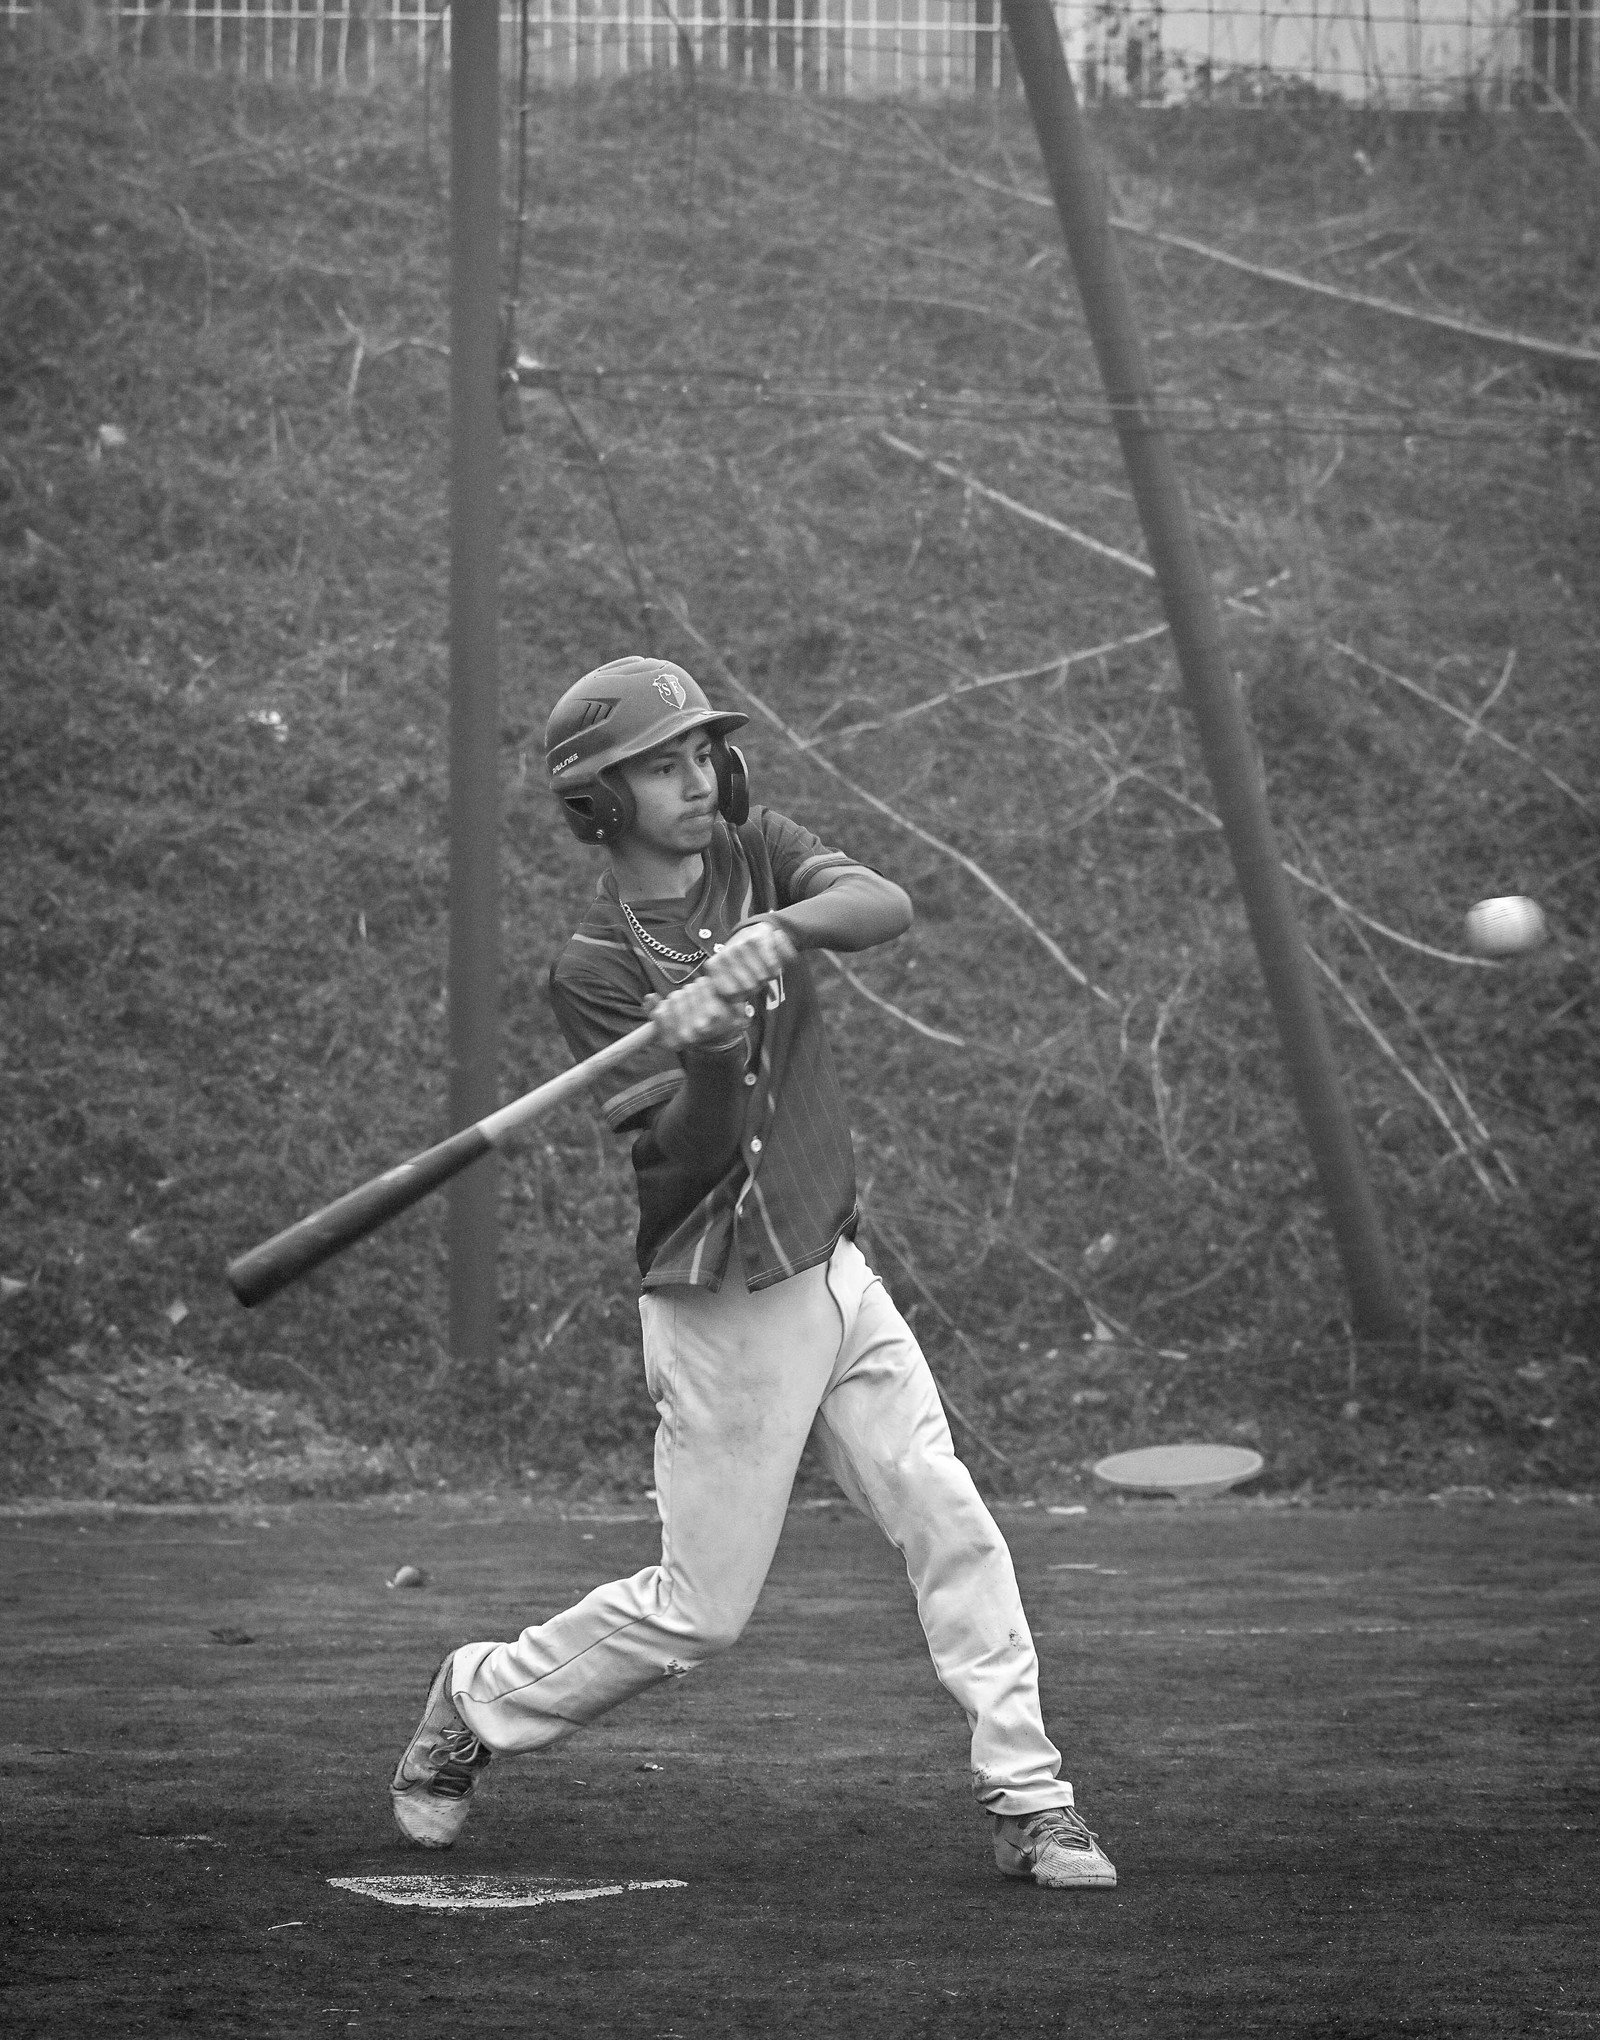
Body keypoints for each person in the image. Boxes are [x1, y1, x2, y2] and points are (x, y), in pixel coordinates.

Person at [389, 655, 1115, 1891]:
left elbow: (882, 903)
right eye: (658, 767)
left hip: (836, 1269)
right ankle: (478, 1693)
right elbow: (687, 1161)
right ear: (598, 804)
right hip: (724, 1309)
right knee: (699, 1613)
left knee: (950, 1521)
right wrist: (709, 1053)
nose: (692, 780)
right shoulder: (592, 970)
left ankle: (1029, 1795)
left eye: (697, 756)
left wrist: (776, 929)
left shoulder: (759, 847)